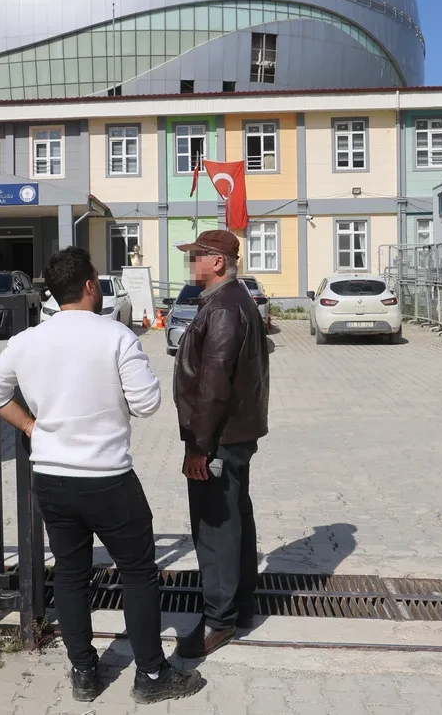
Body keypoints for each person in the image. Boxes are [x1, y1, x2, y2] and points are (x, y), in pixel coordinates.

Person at [0, 246, 203, 705]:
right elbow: (146, 403)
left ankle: (83, 672)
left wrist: (31, 426)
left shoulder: (28, 340)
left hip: (52, 478)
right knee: (139, 573)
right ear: (89, 285)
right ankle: (153, 677)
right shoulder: (116, 336)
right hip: (108, 478)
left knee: (72, 575)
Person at [172, 229, 270, 658]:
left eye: (195, 257)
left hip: (218, 439)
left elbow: (213, 383)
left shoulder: (225, 307)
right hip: (232, 436)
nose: (190, 264)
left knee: (214, 529)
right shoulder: (230, 300)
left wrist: (199, 446)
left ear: (216, 262)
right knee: (235, 522)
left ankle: (219, 620)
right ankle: (240, 608)